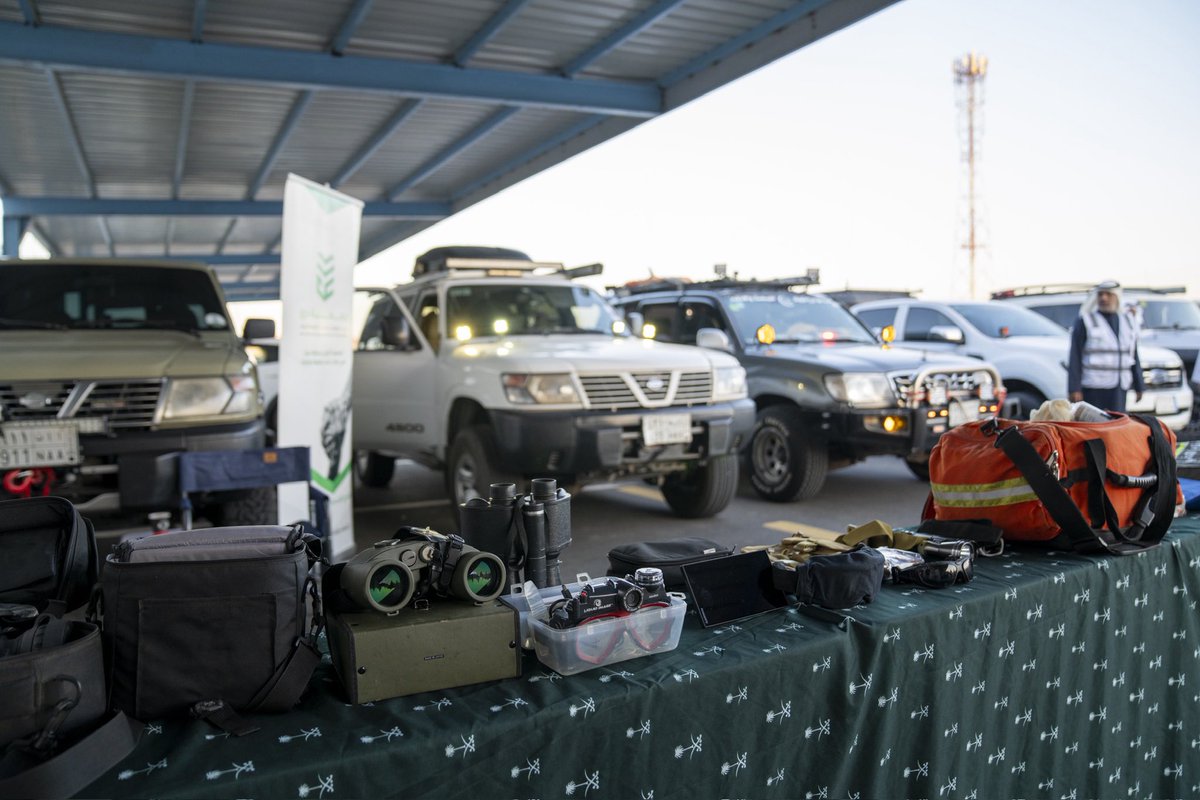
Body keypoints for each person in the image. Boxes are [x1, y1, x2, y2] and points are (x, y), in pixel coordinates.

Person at [1067, 280, 1144, 412]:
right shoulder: (1086, 321)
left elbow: (1132, 354)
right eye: (1100, 294)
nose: (1103, 298)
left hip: (1119, 387)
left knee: (1117, 421)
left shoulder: (1128, 321)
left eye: (1108, 294)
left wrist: (1139, 385)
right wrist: (1074, 388)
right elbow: (1075, 356)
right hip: (1094, 387)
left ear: (1117, 297)